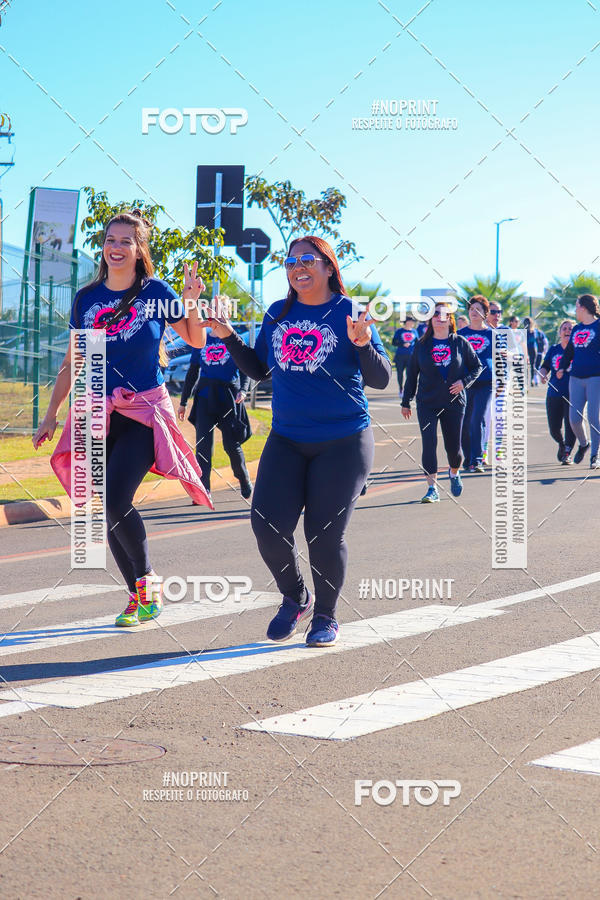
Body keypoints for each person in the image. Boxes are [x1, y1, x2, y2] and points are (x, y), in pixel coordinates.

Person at [201, 235, 391, 647]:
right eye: (290, 262)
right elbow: (260, 370)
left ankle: (326, 615)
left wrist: (361, 344)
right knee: (267, 525)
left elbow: (380, 379)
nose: (297, 267)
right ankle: (295, 597)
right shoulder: (277, 312)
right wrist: (229, 335)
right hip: (287, 438)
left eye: (308, 259)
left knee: (323, 534)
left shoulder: (350, 311)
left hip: (344, 440)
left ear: (328, 266)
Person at [33, 211, 212, 627]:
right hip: (97, 410)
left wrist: (190, 301)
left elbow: (197, 338)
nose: (115, 247)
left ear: (139, 248)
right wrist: (51, 414)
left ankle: (148, 583)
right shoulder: (88, 298)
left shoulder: (155, 292)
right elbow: (74, 360)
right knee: (106, 507)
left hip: (143, 410)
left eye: (125, 241)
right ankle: (138, 597)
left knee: (116, 498)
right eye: (110, 240)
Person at [401, 302, 482, 502]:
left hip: (454, 402)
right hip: (427, 402)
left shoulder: (460, 342)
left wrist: (464, 383)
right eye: (435, 314)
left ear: (450, 319)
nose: (439, 317)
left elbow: (477, 367)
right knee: (429, 443)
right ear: (430, 319)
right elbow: (412, 374)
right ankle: (432, 489)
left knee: (454, 450)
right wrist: (406, 401)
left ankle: (454, 473)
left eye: (443, 314)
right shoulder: (421, 344)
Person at [178, 318, 253, 499]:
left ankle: (243, 478)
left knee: (231, 444)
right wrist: (183, 402)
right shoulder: (201, 339)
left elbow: (246, 369)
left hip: (228, 398)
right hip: (205, 397)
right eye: (214, 311)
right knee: (203, 445)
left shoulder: (234, 339)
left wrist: (243, 391)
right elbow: (193, 372)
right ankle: (205, 490)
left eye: (222, 311)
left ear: (227, 314)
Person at [557, 294, 600, 468]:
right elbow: (569, 352)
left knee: (593, 417)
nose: (575, 310)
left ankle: (595, 456)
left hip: (595, 378)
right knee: (574, 419)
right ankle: (584, 444)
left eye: (576, 306)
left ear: (583, 307)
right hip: (575, 378)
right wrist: (561, 366)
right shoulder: (576, 329)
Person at [458, 295, 493, 473]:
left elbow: (509, 356)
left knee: (477, 419)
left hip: (486, 382)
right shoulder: (460, 335)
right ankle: (469, 457)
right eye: (471, 309)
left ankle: (477, 459)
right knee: (464, 423)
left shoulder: (492, 334)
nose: (474, 312)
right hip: (465, 383)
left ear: (485, 313)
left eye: (478, 309)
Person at [540, 320, 575, 464]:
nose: (567, 331)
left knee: (570, 424)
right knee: (554, 428)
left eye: (570, 329)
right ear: (560, 333)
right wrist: (542, 374)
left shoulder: (578, 349)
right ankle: (561, 444)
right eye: (564, 328)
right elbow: (545, 366)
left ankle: (567, 452)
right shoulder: (554, 349)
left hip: (573, 393)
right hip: (554, 393)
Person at [392, 315, 418, 396]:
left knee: (409, 374)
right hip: (400, 356)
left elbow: (418, 343)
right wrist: (403, 344)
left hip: (411, 356)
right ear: (406, 322)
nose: (412, 323)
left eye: (413, 321)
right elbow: (394, 342)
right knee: (400, 373)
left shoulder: (414, 331)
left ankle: (408, 390)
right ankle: (401, 389)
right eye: (411, 321)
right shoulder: (399, 331)